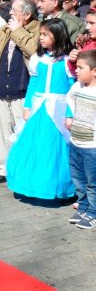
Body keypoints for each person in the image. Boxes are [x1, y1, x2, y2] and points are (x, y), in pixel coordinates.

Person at [6, 19, 75, 200]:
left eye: (45, 34)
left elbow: (72, 89)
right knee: (34, 147)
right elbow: (34, 84)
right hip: (38, 109)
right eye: (41, 34)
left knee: (54, 149)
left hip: (58, 111)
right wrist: (27, 106)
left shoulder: (67, 61)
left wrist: (69, 113)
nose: (41, 38)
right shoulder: (38, 59)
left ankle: (58, 187)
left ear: (58, 35)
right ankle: (31, 185)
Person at [0, 0, 40, 184]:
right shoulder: (3, 30)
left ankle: (23, 170)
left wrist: (18, 31)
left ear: (27, 14)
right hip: (1, 88)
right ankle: (4, 169)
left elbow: (33, 51)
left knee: (22, 133)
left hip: (22, 90)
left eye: (15, 11)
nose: (11, 14)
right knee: (2, 133)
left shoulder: (37, 30)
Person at [66, 49, 96, 229]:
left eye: (80, 68)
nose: (76, 71)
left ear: (94, 71)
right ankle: (83, 206)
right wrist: (69, 116)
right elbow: (69, 101)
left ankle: (93, 212)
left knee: (93, 182)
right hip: (75, 142)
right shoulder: (77, 87)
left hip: (92, 146)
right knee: (79, 179)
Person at [68, 10, 96, 74]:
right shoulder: (87, 45)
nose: (87, 27)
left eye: (92, 23)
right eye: (87, 23)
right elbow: (76, 74)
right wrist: (73, 61)